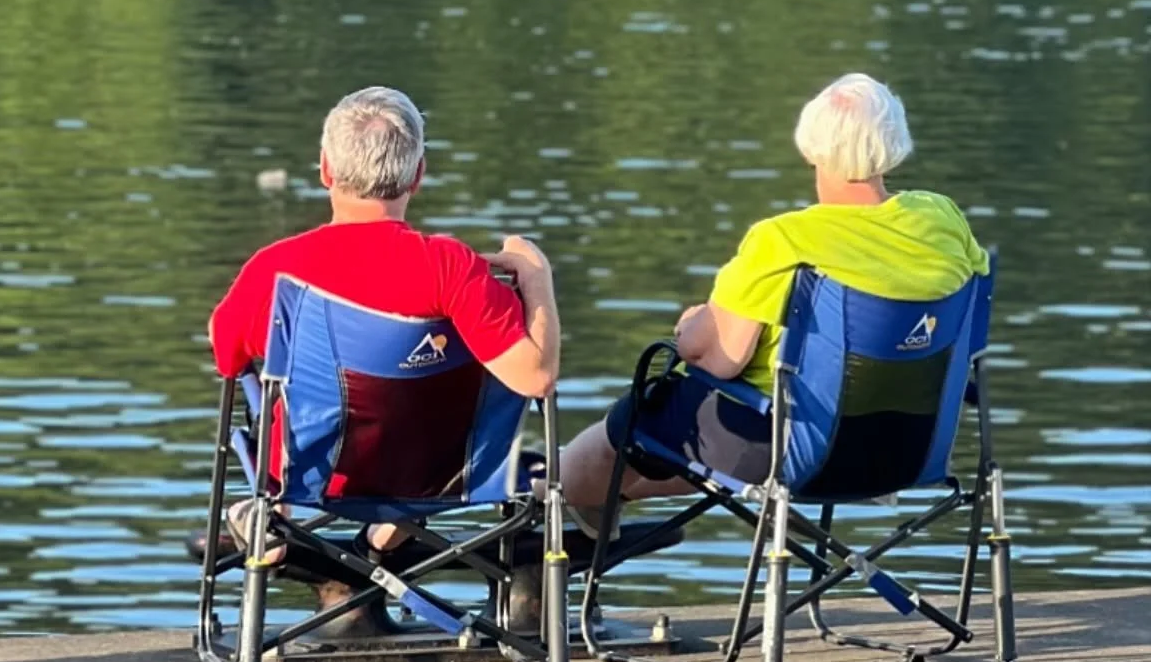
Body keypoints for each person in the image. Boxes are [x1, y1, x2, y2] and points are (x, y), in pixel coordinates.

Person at [559, 72, 990, 524]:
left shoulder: (783, 240)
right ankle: (602, 514)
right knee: (693, 447)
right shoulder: (942, 218)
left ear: (812, 145)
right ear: (893, 141)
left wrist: (691, 324)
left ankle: (565, 534)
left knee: (625, 428)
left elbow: (718, 359)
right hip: (911, 447)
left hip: (796, 450)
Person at [206, 85, 561, 601]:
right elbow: (536, 375)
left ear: (326, 170)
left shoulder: (276, 271)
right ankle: (389, 533)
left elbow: (226, 357)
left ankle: (271, 518)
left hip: (314, 475)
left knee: (270, 404)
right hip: (446, 476)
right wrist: (538, 279)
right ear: (417, 175)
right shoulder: (454, 268)